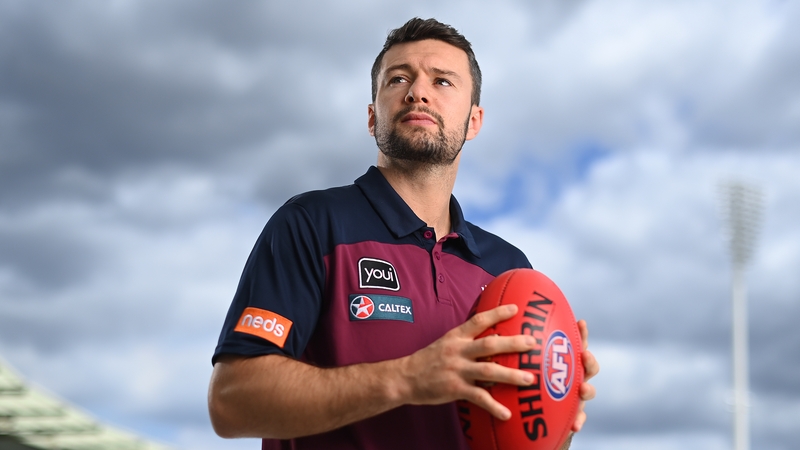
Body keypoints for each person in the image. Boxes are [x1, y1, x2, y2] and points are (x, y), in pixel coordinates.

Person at [208, 17, 599, 450]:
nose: (418, 91)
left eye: (443, 81)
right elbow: (232, 401)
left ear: (474, 121)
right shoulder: (313, 224)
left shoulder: (510, 269)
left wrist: (557, 416)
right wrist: (407, 378)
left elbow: (512, 432)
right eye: (398, 78)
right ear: (373, 116)